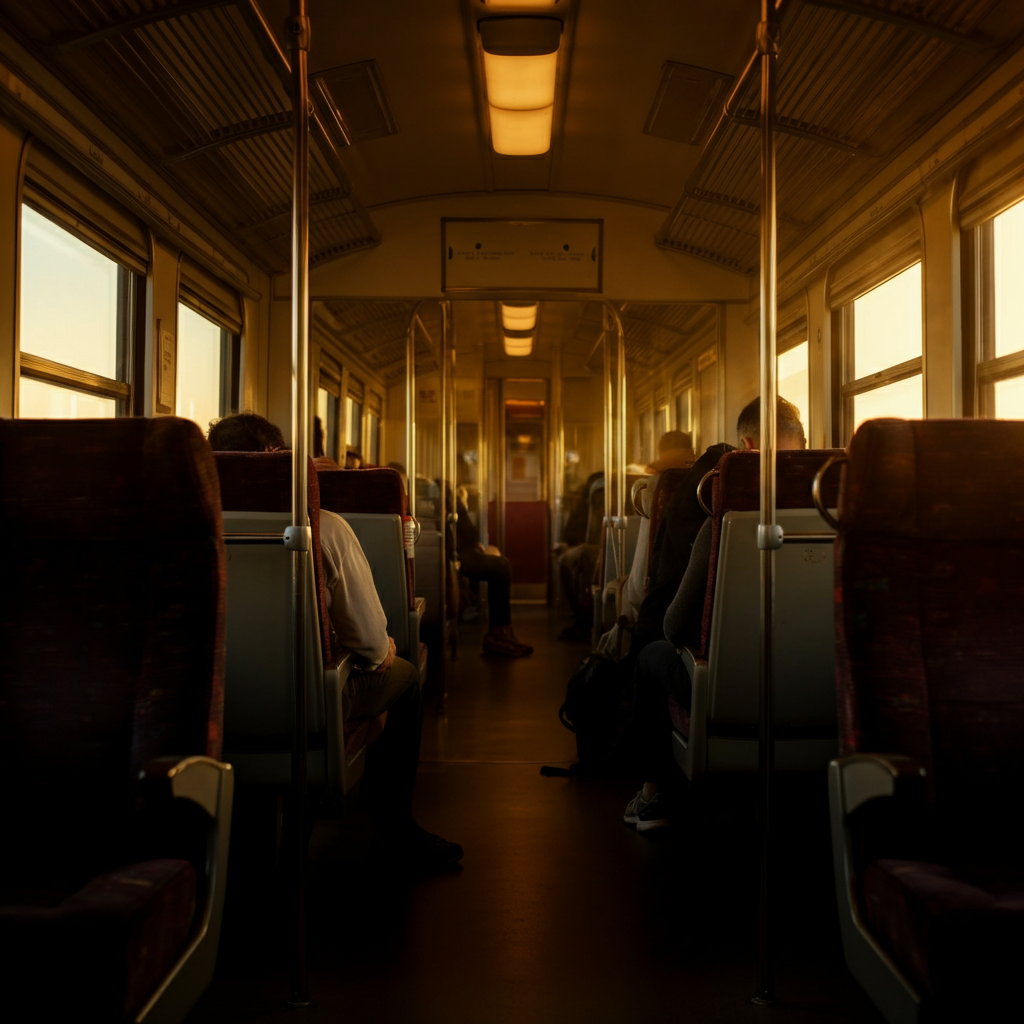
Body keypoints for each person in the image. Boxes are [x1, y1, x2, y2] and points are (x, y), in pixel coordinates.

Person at [207, 412, 463, 869]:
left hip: (213, 705)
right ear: (277, 461)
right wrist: (385, 651)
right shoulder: (323, 528)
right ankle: (394, 831)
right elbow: (366, 639)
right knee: (404, 678)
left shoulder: (194, 527)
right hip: (309, 703)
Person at [624, 397, 806, 831]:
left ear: (744, 448)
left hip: (729, 689)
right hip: (820, 686)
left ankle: (653, 795)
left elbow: (673, 625)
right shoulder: (841, 519)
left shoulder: (718, 524)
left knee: (651, 656)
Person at [453, 488, 533, 657]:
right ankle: (499, 632)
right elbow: (470, 533)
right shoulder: (450, 498)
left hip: (458, 551)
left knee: (501, 564)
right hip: (457, 553)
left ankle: (502, 630)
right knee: (501, 567)